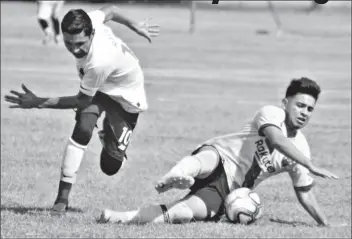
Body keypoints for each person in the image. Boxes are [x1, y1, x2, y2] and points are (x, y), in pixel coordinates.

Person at [99, 77, 341, 227]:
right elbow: (276, 140)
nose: (305, 112)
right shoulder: (271, 114)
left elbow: (305, 192)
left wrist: (325, 223)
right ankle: (172, 177)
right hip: (222, 155)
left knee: (185, 213)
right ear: (285, 102)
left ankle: (118, 217)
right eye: (300, 105)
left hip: (228, 189)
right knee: (205, 161)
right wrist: (310, 164)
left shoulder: (301, 149)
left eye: (310, 109)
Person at [5, 5, 159, 215]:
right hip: (100, 90)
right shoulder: (89, 20)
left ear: (91, 33)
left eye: (80, 43)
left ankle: (108, 137)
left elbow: (80, 100)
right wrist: (135, 25)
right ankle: (61, 200)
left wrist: (38, 102)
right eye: (68, 43)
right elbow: (111, 10)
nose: (75, 49)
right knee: (83, 129)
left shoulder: (98, 62)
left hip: (127, 97)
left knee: (110, 166)